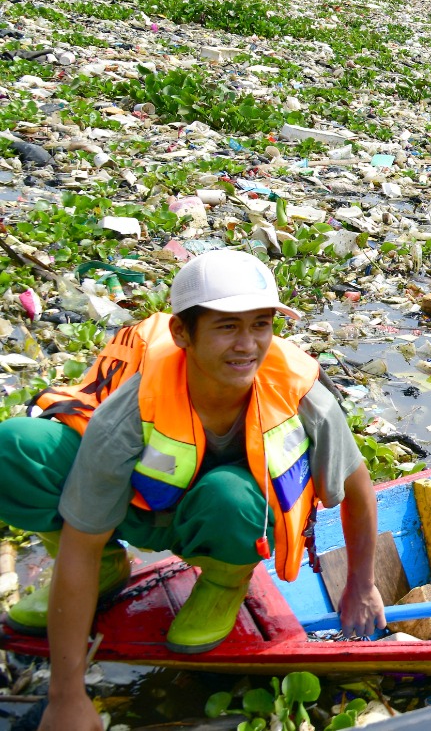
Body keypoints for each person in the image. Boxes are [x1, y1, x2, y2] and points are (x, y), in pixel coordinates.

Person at [0, 249, 385, 731]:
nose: (248, 345)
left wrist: (361, 583)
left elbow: (357, 487)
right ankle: (108, 573)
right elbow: (80, 543)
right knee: (17, 446)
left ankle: (223, 585)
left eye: (261, 324)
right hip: (139, 506)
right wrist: (66, 695)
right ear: (183, 334)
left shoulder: (302, 394)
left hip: (228, 522)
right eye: (227, 327)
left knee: (230, 495)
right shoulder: (130, 410)